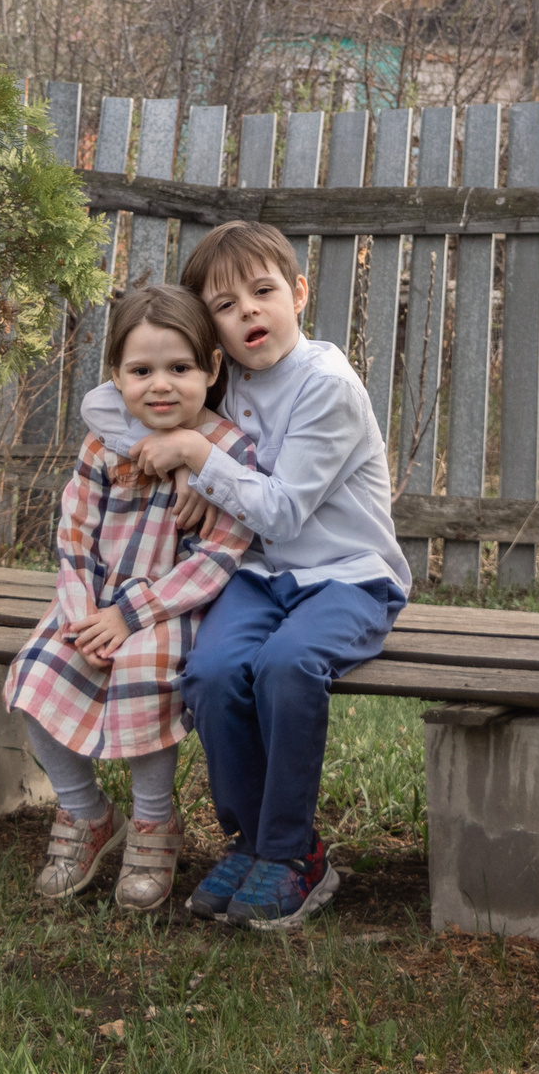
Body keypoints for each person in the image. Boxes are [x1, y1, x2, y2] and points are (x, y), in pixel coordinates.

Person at [81, 219, 408, 929]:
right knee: (211, 671)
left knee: (286, 667)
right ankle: (250, 840)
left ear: (298, 293)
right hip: (261, 574)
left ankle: (294, 853)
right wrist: (178, 439)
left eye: (263, 292)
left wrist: (198, 454)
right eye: (225, 307)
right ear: (210, 335)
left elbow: (284, 511)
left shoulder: (326, 385)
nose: (249, 312)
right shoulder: (226, 380)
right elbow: (101, 403)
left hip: (350, 576)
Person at [4, 284, 257, 910]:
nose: (160, 386)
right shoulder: (103, 444)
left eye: (180, 368)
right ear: (116, 376)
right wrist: (80, 614)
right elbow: (74, 533)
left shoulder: (228, 452)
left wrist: (130, 616)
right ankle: (86, 812)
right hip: (96, 598)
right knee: (38, 669)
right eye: (141, 371)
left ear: (212, 368)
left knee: (145, 672)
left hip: (174, 605)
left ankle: (153, 820)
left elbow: (218, 556)